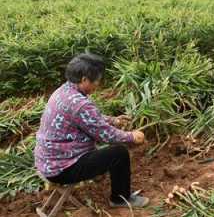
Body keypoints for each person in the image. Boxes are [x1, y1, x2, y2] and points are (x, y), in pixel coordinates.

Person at [35, 53, 149, 208]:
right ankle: (120, 199)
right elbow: (106, 135)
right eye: (96, 81)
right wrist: (132, 136)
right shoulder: (80, 104)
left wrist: (114, 120)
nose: (98, 85)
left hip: (47, 162)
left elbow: (88, 118)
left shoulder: (64, 91)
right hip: (62, 169)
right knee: (119, 153)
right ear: (84, 80)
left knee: (109, 151)